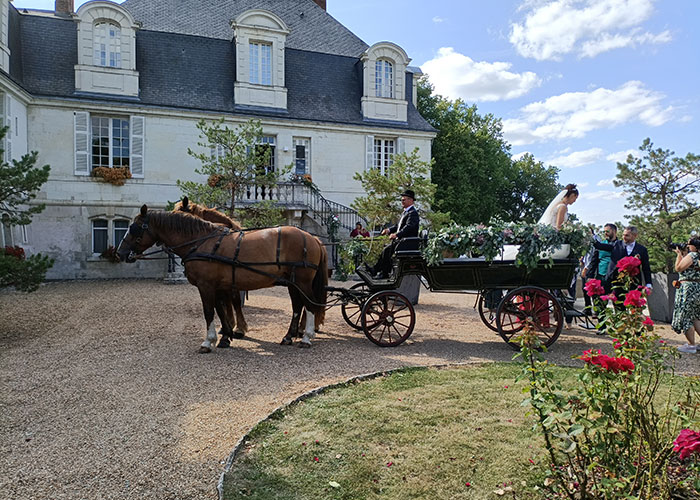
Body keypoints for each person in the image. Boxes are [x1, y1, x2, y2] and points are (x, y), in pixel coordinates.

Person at [501, 183, 579, 261]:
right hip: (553, 235)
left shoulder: (558, 204)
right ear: (572, 195)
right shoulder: (563, 207)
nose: (575, 201)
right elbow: (559, 226)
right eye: (575, 198)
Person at [592, 226, 653, 307]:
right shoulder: (617, 244)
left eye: (627, 235)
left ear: (635, 236)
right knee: (619, 305)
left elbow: (646, 268)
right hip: (617, 281)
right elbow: (600, 246)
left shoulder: (642, 249)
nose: (624, 237)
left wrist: (648, 284)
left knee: (634, 306)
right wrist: (592, 238)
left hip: (633, 282)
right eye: (623, 235)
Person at [365, 189, 419, 279]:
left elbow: (409, 227)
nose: (402, 202)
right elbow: (399, 226)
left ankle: (384, 273)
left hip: (408, 242)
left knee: (387, 251)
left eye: (404, 200)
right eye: (402, 200)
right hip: (402, 241)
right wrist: (389, 230)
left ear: (410, 200)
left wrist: (397, 235)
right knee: (385, 250)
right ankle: (376, 270)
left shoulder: (413, 213)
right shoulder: (406, 212)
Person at [671, 237, 700, 353]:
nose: (687, 246)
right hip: (698, 287)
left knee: (686, 316)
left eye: (689, 244)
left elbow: (678, 268)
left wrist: (679, 255)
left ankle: (691, 344)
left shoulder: (692, 255)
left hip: (688, 288)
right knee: (697, 317)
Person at [588, 223, 618, 294]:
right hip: (601, 276)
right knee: (600, 300)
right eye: (604, 231)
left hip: (615, 277)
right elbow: (594, 261)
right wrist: (590, 275)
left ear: (614, 231)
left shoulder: (620, 244)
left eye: (607, 231)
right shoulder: (602, 244)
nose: (605, 233)